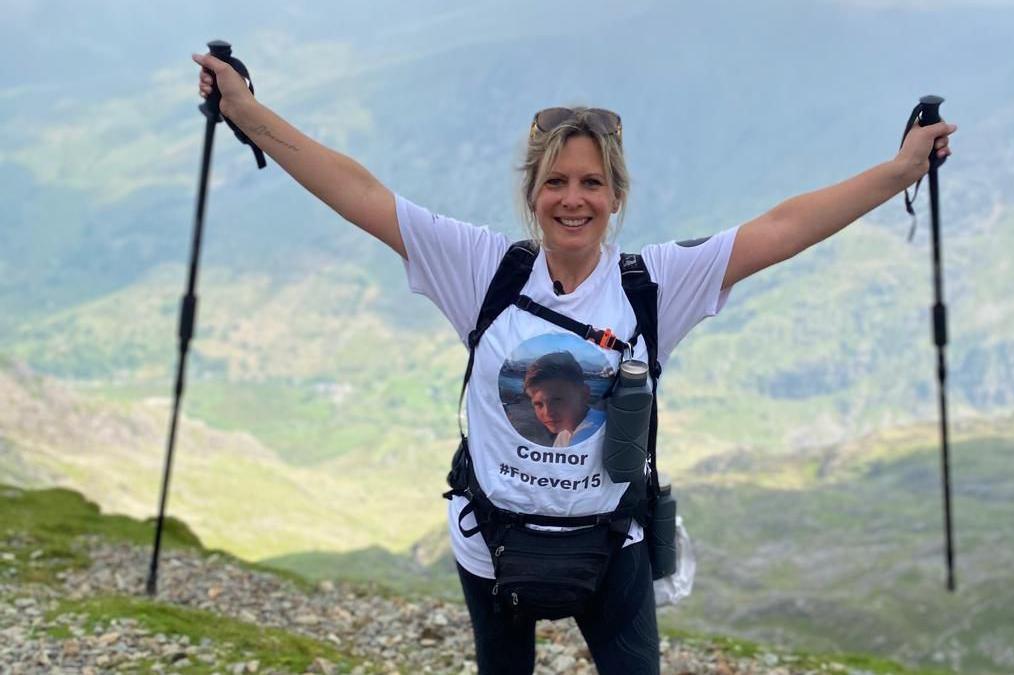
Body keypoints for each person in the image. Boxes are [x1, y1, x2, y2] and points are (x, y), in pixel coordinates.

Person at [193, 53, 955, 674]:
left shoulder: (653, 284)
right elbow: (357, 192)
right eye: (555, 181)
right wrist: (245, 112)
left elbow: (784, 226)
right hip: (493, 541)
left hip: (611, 545)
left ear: (616, 194)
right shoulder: (482, 269)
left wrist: (900, 171)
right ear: (531, 192)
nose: (573, 199)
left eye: (591, 182)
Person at [522, 351, 605, 447]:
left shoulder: (586, 436)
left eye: (557, 400)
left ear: (584, 394)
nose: (547, 412)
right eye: (538, 404)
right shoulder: (565, 431)